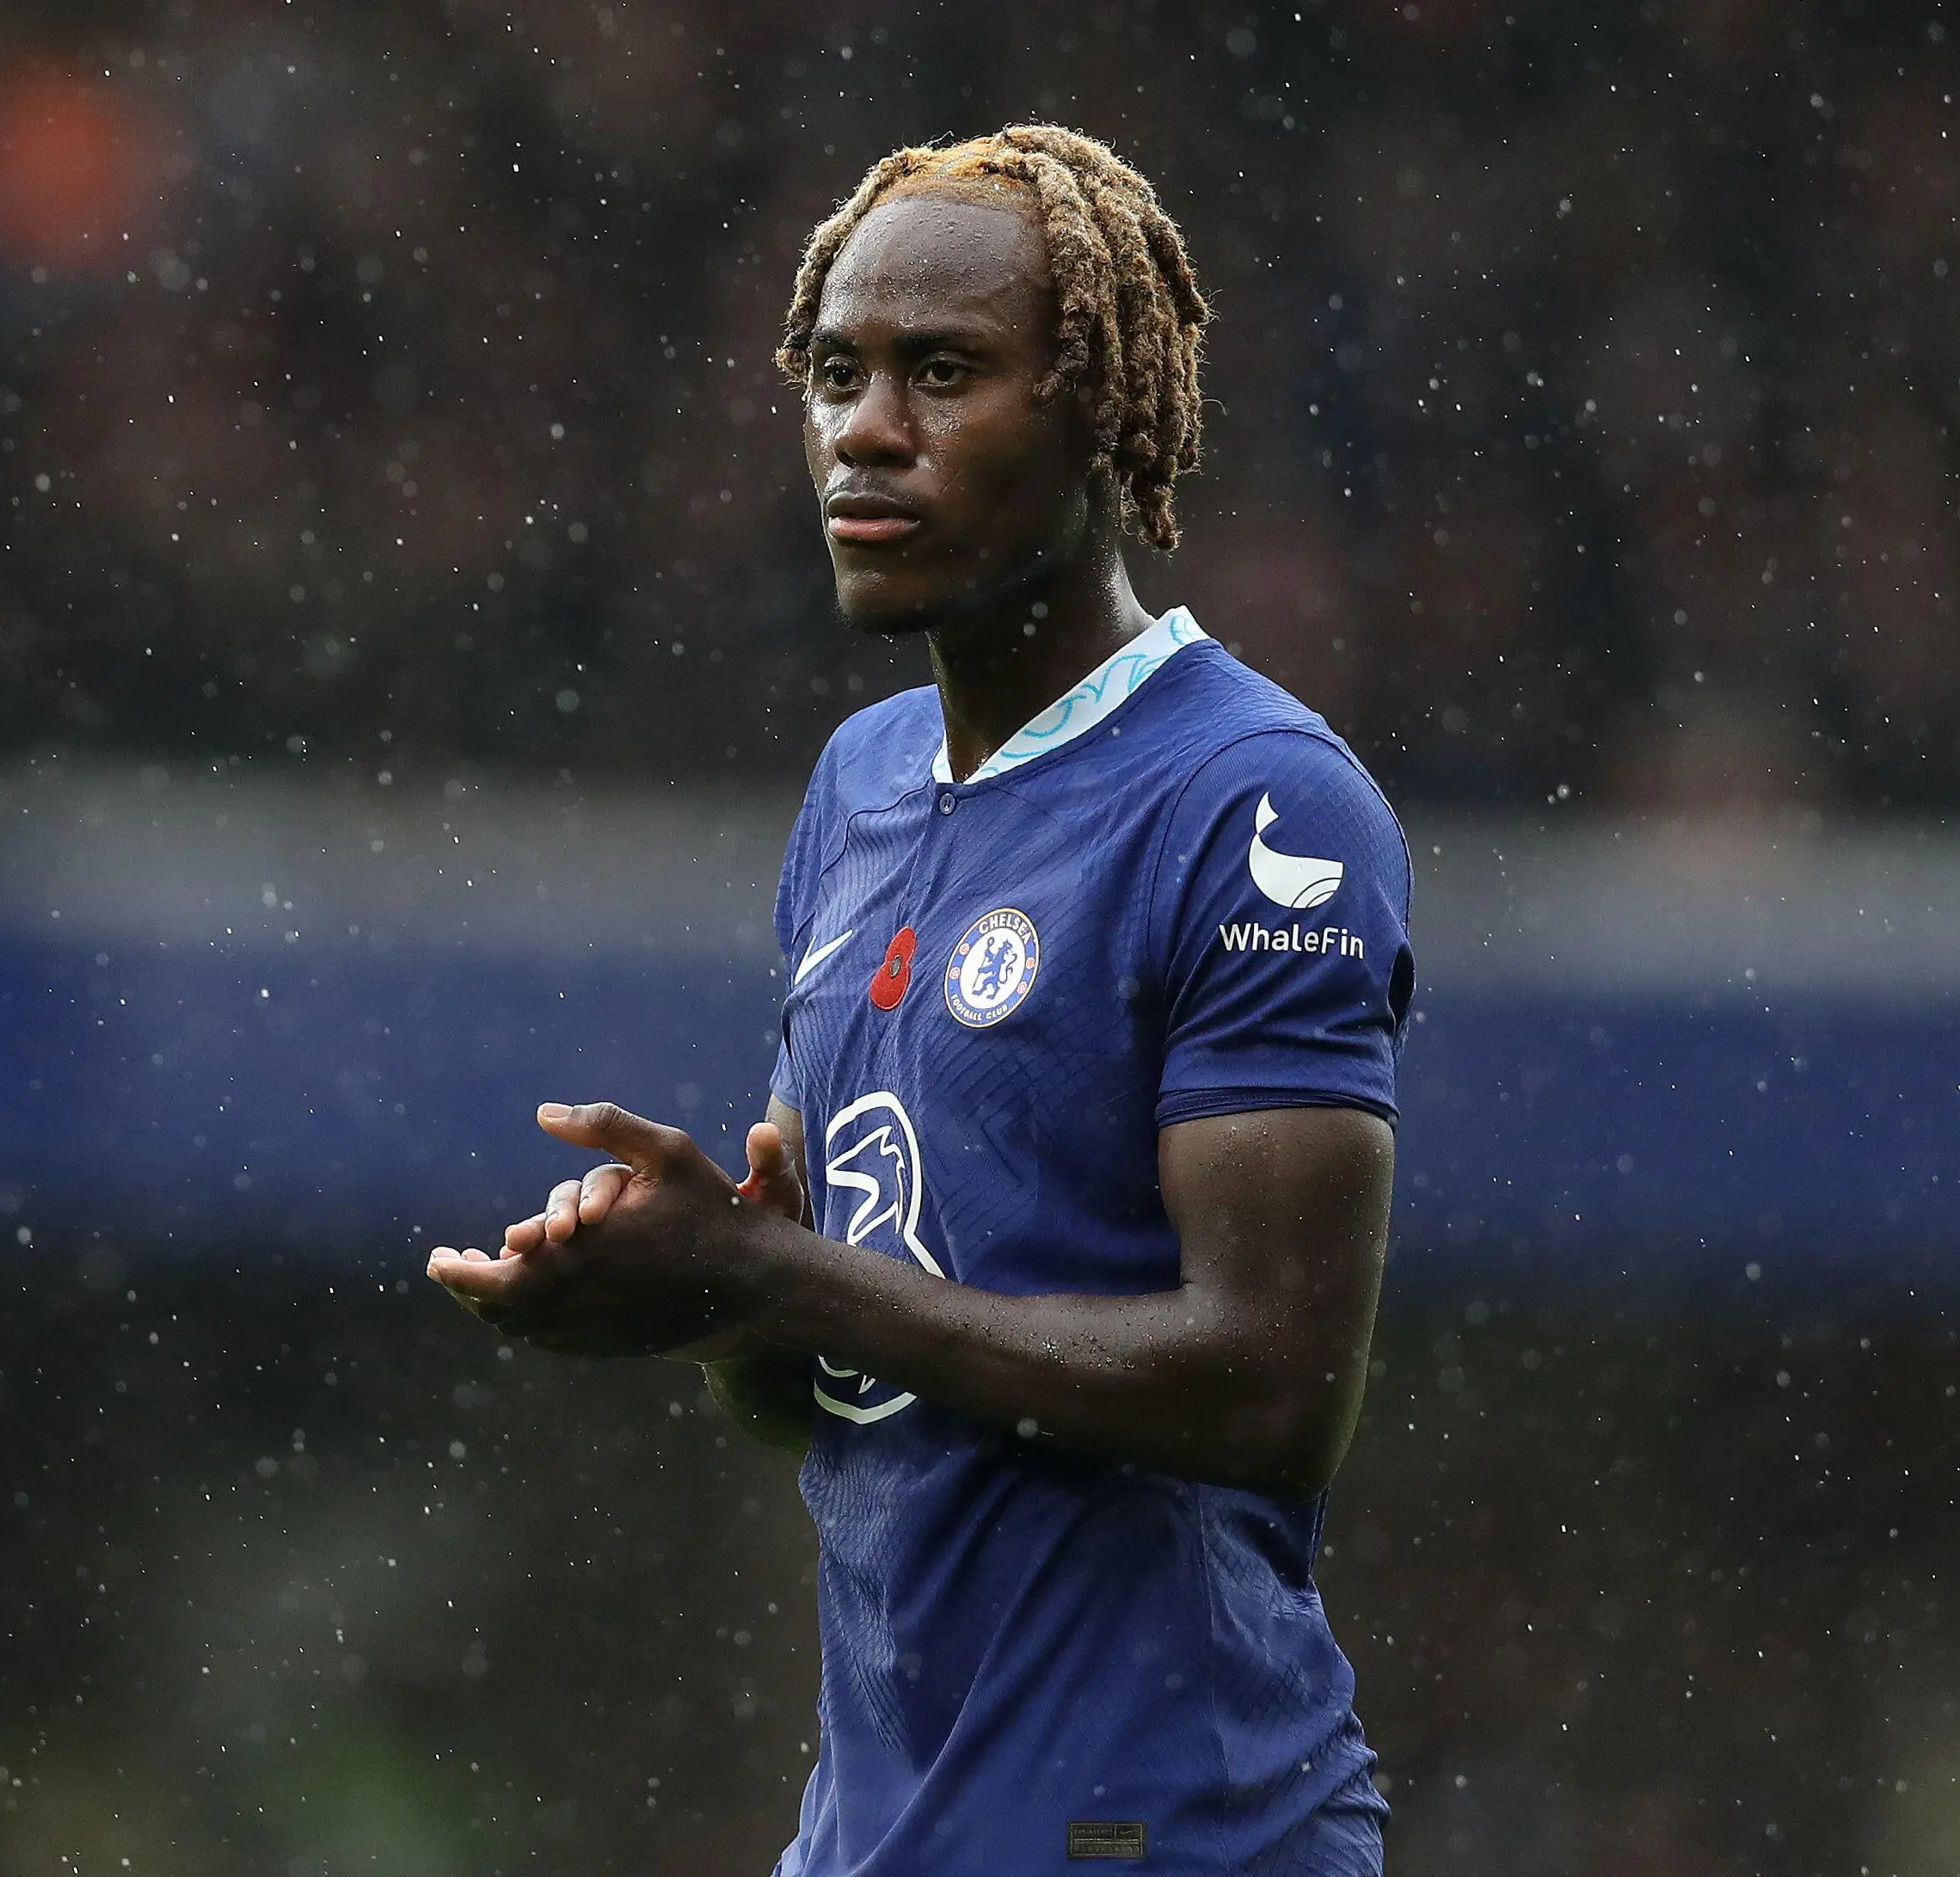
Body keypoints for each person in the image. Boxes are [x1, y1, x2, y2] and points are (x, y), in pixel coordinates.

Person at [427, 124, 1412, 1876]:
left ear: (1097, 411)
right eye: (836, 374)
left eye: (942, 373)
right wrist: (699, 1294)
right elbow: (835, 1385)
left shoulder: (1258, 802)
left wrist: (771, 1275)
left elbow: (1270, 1387)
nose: (865, 431)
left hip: (1163, 1829)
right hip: (881, 1829)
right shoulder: (860, 785)